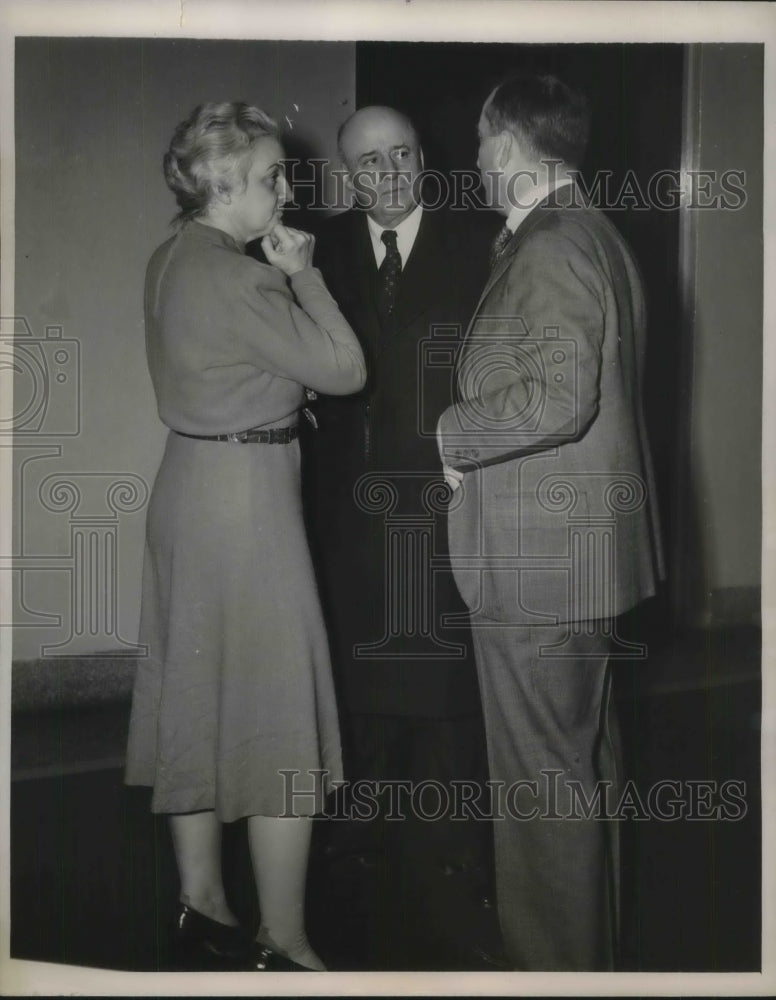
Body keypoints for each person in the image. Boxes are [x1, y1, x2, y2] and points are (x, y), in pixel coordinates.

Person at [124, 101, 366, 973]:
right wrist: (304, 276)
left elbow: (227, 365)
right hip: (246, 500)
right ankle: (286, 937)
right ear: (223, 183)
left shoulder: (170, 260)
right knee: (278, 712)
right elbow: (345, 370)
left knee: (194, 698)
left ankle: (202, 903)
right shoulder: (246, 277)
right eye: (271, 175)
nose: (285, 188)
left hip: (186, 485)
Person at [436, 74, 664, 970]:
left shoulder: (552, 245)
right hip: (581, 564)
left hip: (538, 569)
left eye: (484, 145)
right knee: (582, 783)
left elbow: (560, 401)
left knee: (541, 796)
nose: (479, 164)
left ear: (509, 145)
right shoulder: (595, 233)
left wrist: (452, 433)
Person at [304, 105, 501, 966]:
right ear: (347, 174)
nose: (386, 173)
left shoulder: (483, 242)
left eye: (401, 155)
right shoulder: (317, 249)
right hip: (347, 505)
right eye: (367, 162)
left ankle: (465, 860)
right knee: (358, 676)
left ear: (424, 158)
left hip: (445, 495)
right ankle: (359, 846)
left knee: (449, 680)